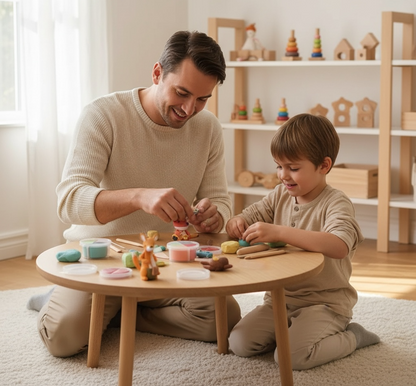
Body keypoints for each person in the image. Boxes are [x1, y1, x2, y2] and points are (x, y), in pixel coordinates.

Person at [28, 30, 241, 357]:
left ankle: (115, 316)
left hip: (170, 259)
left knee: (224, 320)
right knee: (63, 338)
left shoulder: (208, 128)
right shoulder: (103, 115)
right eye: (181, 93)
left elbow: (220, 199)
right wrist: (139, 197)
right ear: (157, 73)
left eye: (201, 99)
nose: (189, 109)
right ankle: (69, 301)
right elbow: (69, 200)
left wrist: (217, 214)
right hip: (104, 257)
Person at [226, 113, 380, 370]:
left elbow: (338, 245)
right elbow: (250, 215)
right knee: (239, 343)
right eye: (278, 165)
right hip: (278, 299)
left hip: (325, 304)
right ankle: (289, 334)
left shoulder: (336, 203)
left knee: (293, 358)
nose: (283, 175)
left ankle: (353, 336)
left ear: (324, 165)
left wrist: (279, 232)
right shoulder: (280, 194)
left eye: (293, 168)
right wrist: (236, 221)